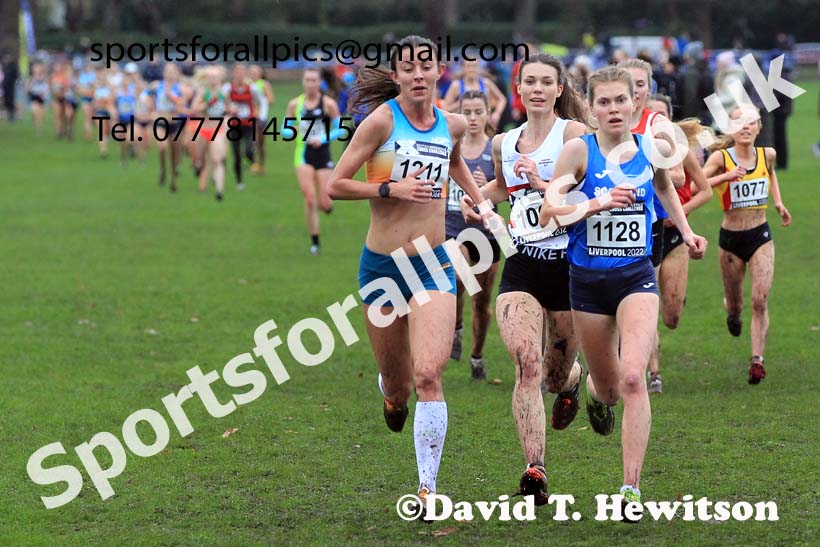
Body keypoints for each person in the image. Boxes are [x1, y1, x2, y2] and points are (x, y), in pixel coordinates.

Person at [327, 35, 493, 509]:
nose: (418, 74)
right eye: (408, 67)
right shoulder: (382, 122)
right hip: (382, 268)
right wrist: (389, 189)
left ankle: (427, 486)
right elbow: (335, 185)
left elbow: (456, 163)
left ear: (439, 71)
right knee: (400, 386)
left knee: (427, 375)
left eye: (426, 65)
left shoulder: (453, 124)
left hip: (434, 263)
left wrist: (480, 203)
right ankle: (389, 393)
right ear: (397, 75)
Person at [539, 66, 707, 512]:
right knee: (610, 389)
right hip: (588, 284)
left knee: (634, 378)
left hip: (636, 277)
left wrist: (687, 232)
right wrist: (596, 202)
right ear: (591, 109)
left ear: (636, 102)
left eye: (622, 100)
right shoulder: (578, 152)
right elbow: (547, 214)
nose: (614, 109)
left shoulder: (649, 150)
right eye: (605, 102)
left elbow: (665, 187)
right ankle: (594, 393)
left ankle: (630, 489)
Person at [461, 53, 587, 503]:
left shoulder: (574, 136)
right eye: (528, 81)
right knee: (525, 364)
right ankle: (535, 469)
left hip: (569, 266)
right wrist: (478, 200)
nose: (536, 88)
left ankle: (573, 381)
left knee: (553, 377)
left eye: (545, 82)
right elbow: (501, 187)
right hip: (523, 263)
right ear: (517, 89)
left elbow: (589, 195)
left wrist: (543, 186)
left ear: (559, 90)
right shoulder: (505, 142)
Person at [620, 58, 711, 394]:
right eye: (629, 84)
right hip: (610, 225)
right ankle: (647, 372)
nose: (635, 91)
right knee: (634, 300)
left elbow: (675, 176)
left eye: (641, 84)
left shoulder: (658, 126)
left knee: (666, 312)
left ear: (648, 87)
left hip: (656, 225)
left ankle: (634, 362)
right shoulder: (601, 121)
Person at [702, 107, 791, 384]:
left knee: (759, 300)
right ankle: (732, 313)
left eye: (751, 122)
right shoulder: (721, 158)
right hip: (730, 240)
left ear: (758, 128)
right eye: (739, 122)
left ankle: (757, 360)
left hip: (760, 235)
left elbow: (771, 173)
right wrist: (725, 178)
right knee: (737, 304)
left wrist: (778, 201)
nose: (746, 126)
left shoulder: (768, 155)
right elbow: (699, 183)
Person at [644, 94, 713, 393]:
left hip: (675, 235)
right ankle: (653, 373)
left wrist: (681, 214)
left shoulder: (680, 149)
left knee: (670, 316)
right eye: (652, 116)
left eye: (663, 117)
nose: (658, 123)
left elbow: (704, 190)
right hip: (647, 231)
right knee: (646, 305)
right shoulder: (633, 150)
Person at [445, 90, 499, 379]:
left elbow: (507, 189)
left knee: (482, 303)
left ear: (488, 113)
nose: (473, 118)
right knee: (457, 278)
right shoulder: (449, 148)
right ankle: (455, 326)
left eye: (479, 111)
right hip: (452, 228)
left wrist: (487, 184)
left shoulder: (495, 150)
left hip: (487, 236)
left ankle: (476, 356)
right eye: (467, 112)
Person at [286, 67, 343, 256]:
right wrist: (291, 131)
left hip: (323, 153)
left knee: (325, 203)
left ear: (320, 83)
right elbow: (285, 129)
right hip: (303, 154)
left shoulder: (328, 104)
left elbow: (340, 129)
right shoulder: (295, 104)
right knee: (309, 198)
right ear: (303, 82)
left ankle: (326, 205)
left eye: (314, 80)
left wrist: (323, 138)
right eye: (307, 80)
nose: (310, 84)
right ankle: (315, 242)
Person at [223, 64, 261, 190]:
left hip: (248, 124)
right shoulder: (228, 88)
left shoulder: (252, 88)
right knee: (236, 154)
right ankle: (239, 181)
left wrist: (258, 114)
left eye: (242, 72)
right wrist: (228, 109)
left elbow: (260, 102)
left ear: (245, 74)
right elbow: (221, 103)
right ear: (234, 73)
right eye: (237, 72)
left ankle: (252, 160)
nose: (240, 75)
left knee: (249, 150)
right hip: (234, 125)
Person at [442, 58, 507, 129]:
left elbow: (502, 99)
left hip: (484, 125)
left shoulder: (485, 83)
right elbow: (445, 108)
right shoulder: (456, 85)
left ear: (478, 67)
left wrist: (497, 114)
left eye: (474, 66)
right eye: (468, 66)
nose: (471, 69)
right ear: (463, 68)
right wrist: (460, 103)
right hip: (464, 127)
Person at [151, 62, 187, 192]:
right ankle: (163, 169)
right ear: (164, 73)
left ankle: (173, 178)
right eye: (167, 71)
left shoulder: (181, 88)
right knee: (162, 146)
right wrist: (152, 111)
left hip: (175, 122)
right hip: (160, 120)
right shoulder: (156, 86)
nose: (170, 74)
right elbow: (145, 97)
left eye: (172, 71)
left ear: (177, 73)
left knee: (174, 151)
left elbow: (182, 106)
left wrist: (171, 96)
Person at [249, 65, 275, 175]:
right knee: (252, 141)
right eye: (251, 72)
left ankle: (261, 164)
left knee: (260, 143)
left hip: (261, 117)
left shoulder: (264, 84)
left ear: (260, 73)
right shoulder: (247, 84)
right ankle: (254, 164)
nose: (253, 74)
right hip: (249, 117)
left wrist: (259, 100)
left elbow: (271, 99)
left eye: (255, 72)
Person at [26, 61, 49, 135]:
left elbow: (48, 87)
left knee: (41, 114)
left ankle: (40, 126)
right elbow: (27, 89)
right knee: (35, 111)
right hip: (34, 96)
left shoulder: (45, 77)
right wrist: (32, 83)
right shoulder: (30, 78)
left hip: (42, 97)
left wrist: (45, 93)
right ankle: (38, 128)